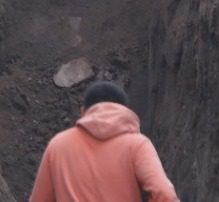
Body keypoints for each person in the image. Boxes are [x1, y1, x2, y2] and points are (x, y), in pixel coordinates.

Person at [28, 80, 178, 202]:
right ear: (124, 111)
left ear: (83, 111)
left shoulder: (58, 146)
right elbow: (164, 193)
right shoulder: (137, 145)